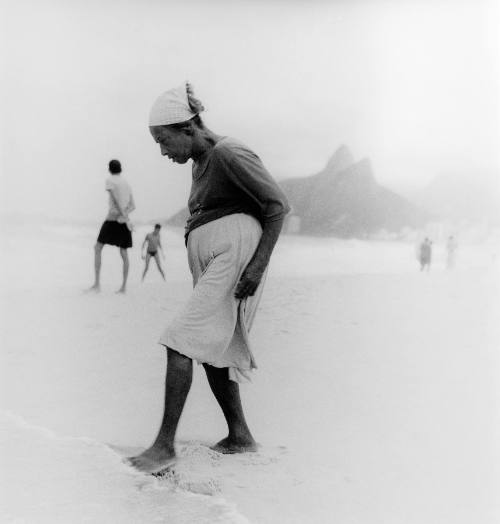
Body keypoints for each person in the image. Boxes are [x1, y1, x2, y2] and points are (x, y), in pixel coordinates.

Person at [128, 83, 290, 474]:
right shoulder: (203, 160)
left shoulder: (228, 153)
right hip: (220, 255)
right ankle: (240, 437)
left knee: (180, 340)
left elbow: (277, 205)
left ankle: (164, 447)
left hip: (234, 255)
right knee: (212, 349)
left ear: (187, 128)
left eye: (164, 141)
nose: (163, 151)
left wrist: (256, 266)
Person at [88, 159, 135, 293]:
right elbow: (133, 205)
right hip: (124, 220)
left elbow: (114, 198)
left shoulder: (110, 180)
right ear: (120, 168)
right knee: (124, 252)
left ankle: (97, 285)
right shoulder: (126, 183)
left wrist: (121, 214)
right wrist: (125, 215)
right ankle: (123, 287)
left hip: (112, 218)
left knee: (97, 248)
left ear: (110, 169)